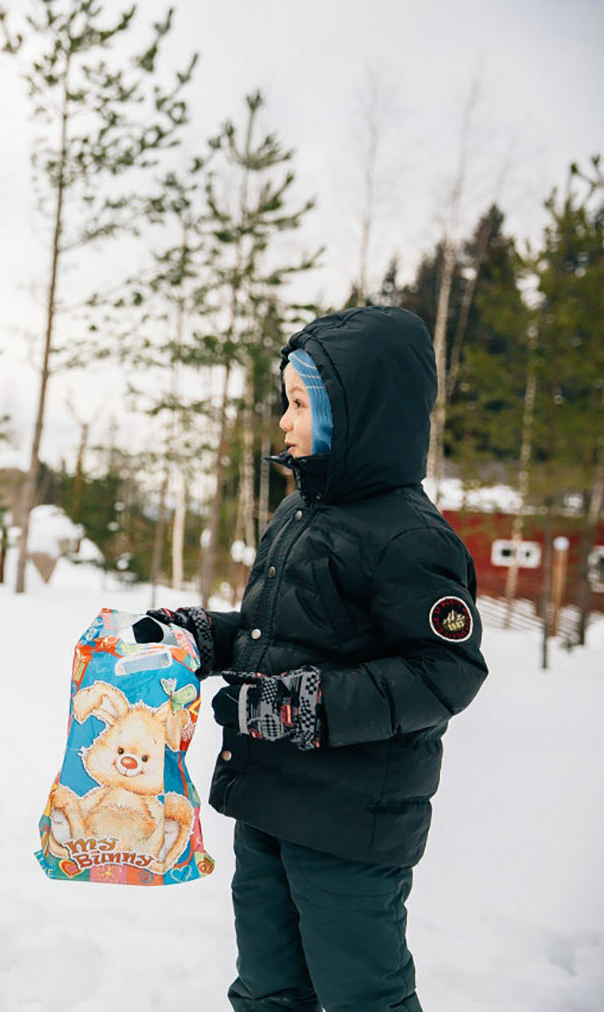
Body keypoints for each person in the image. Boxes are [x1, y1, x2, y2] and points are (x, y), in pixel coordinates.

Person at [151, 306, 487, 1012]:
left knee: (362, 994)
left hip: (349, 826)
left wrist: (304, 708)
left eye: (301, 404)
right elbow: (278, 633)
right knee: (267, 988)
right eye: (287, 401)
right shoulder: (298, 515)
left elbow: (445, 671)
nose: (283, 421)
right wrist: (204, 638)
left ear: (359, 415)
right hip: (269, 801)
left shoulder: (409, 538)